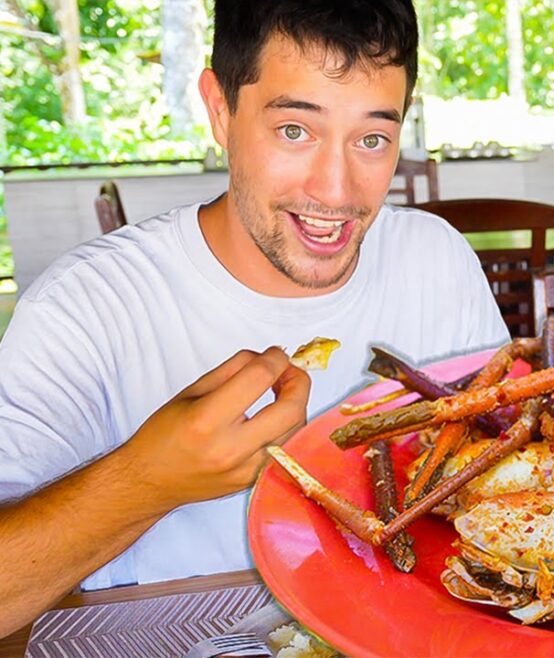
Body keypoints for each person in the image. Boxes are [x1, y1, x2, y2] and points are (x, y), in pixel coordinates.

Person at [0, 0, 508, 637]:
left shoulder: (434, 259)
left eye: (372, 139)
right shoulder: (88, 304)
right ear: (219, 109)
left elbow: (501, 486)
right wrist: (148, 480)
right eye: (295, 130)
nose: (336, 191)